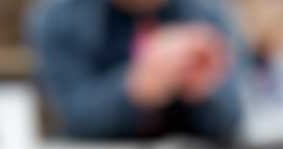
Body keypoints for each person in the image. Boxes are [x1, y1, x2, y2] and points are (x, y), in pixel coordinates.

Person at [29, 0, 244, 140]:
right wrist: (134, 88)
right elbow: (71, 116)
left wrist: (202, 91)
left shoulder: (207, 15)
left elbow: (231, 116)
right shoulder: (60, 19)